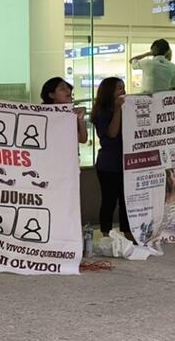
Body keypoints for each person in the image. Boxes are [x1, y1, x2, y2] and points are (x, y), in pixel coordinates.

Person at [90, 77, 133, 240]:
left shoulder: (128, 108)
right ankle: (105, 233)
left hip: (127, 162)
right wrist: (117, 110)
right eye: (119, 88)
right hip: (109, 163)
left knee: (126, 200)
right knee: (109, 200)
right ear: (109, 91)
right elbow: (112, 133)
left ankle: (127, 232)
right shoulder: (102, 111)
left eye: (123, 87)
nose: (123, 91)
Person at [40, 76, 89, 144]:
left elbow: (82, 139)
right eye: (62, 88)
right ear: (51, 95)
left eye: (68, 88)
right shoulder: (41, 115)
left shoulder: (71, 114)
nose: (68, 90)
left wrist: (80, 119)